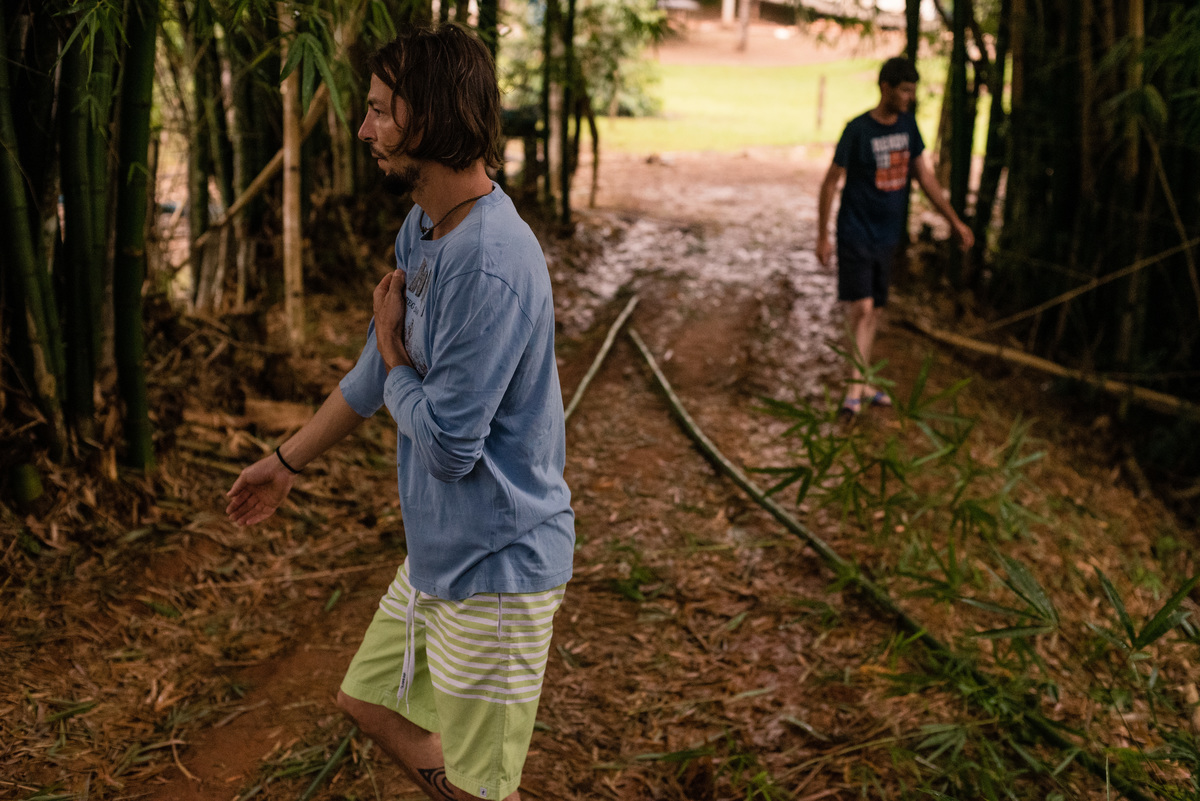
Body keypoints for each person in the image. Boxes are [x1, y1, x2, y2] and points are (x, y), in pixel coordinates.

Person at [224, 24, 575, 801]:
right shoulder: (424, 226)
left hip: (497, 567)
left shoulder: (488, 264)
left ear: (433, 117)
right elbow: (369, 377)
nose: (364, 129)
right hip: (439, 557)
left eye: (381, 110)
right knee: (368, 701)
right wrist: (284, 462)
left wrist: (393, 357)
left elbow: (447, 446)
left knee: (485, 786)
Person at [815, 56, 974, 419]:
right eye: (904, 90)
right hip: (855, 229)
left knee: (876, 310)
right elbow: (830, 183)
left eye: (912, 91)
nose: (909, 97)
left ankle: (862, 382)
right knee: (862, 307)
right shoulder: (857, 130)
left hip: (886, 234)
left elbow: (924, 177)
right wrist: (822, 236)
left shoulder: (907, 126)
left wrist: (954, 221)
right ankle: (853, 391)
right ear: (885, 88)